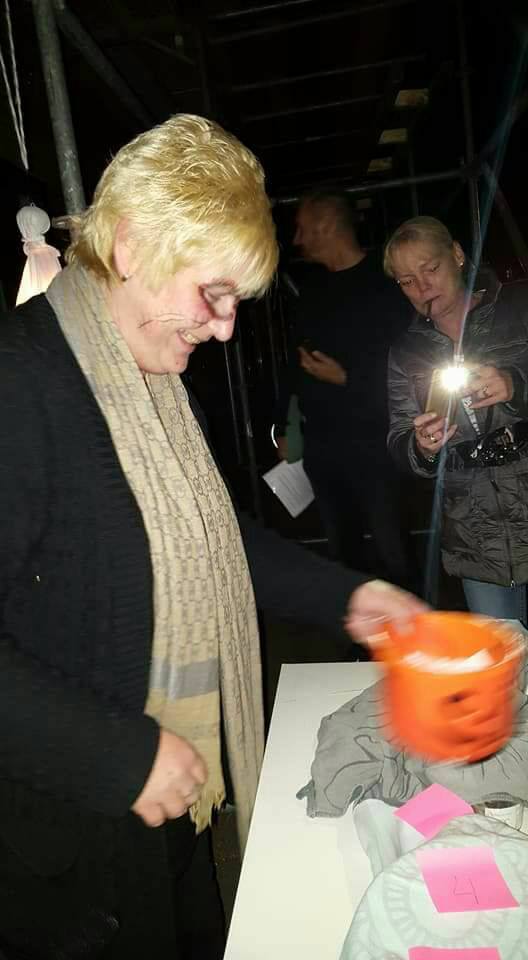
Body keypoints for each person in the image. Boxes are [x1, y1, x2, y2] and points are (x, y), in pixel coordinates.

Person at [0, 115, 425, 959]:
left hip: (173, 801)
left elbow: (216, 541)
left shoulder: (153, 383)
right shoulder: (21, 384)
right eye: (214, 294)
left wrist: (351, 596)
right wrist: (115, 755)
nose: (225, 327)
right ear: (131, 247)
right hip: (66, 842)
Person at [385, 215, 528, 622]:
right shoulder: (406, 352)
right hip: (474, 528)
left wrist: (516, 385)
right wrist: (421, 447)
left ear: (458, 255)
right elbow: (399, 436)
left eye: (430, 268)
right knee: (500, 651)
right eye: (407, 281)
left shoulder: (518, 306)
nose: (422, 286)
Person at [276, 189, 412, 585]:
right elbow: (294, 368)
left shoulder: (385, 286)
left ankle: (409, 622)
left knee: (392, 549)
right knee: (341, 555)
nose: (297, 240)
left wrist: (348, 377)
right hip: (323, 447)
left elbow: (409, 368)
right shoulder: (311, 292)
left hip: (376, 444)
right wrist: (285, 427)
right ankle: (355, 625)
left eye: (302, 229)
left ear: (326, 225)